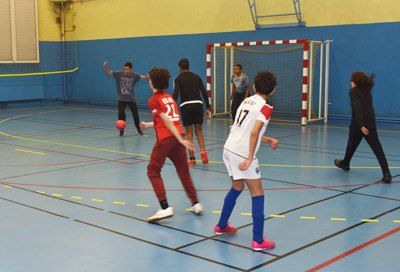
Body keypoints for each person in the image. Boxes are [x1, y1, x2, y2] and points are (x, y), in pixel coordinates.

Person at [214, 70, 278, 251]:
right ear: (272, 90)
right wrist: (250, 157)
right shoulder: (266, 107)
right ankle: (258, 240)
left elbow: (244, 128)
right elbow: (253, 131)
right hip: (242, 153)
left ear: (255, 86)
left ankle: (222, 226)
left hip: (229, 148)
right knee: (257, 192)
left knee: (237, 186)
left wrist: (267, 139)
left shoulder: (245, 101)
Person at [140, 67, 203, 222]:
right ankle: (196, 203)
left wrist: (181, 139)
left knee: (152, 171)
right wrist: (150, 124)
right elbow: (169, 118)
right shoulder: (169, 97)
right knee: (183, 171)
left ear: (152, 83)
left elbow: (167, 121)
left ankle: (164, 207)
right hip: (176, 137)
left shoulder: (153, 100)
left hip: (167, 139)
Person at [334, 71, 392, 183]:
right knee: (376, 149)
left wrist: (361, 126)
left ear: (355, 82)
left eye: (351, 80)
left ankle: (345, 163)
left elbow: (357, 108)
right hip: (370, 124)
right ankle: (386, 173)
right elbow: (369, 109)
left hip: (358, 125)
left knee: (351, 145)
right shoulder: (367, 92)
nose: (350, 82)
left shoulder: (353, 92)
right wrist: (368, 124)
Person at [173, 58, 211, 166]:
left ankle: (192, 158)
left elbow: (176, 94)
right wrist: (208, 107)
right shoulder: (197, 77)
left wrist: (171, 105)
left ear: (179, 68)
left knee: (189, 132)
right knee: (199, 130)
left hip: (186, 105)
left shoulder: (178, 78)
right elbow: (204, 92)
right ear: (188, 66)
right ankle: (203, 151)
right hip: (198, 104)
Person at [103, 60, 147, 136]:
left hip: (131, 99)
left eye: (127, 69)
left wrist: (148, 77)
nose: (125, 71)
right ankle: (121, 130)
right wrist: (106, 66)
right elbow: (108, 73)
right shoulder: (119, 74)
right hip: (121, 100)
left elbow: (143, 77)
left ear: (131, 69)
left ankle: (138, 129)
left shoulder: (134, 76)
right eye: (125, 69)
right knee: (121, 116)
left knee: (136, 116)